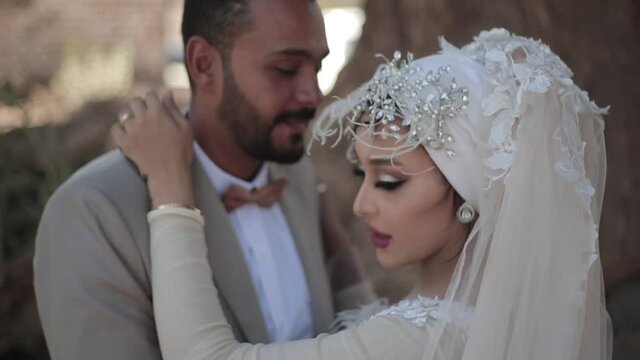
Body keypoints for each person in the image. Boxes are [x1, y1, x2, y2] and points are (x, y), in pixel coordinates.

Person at [114, 28, 613, 360]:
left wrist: (171, 192)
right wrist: (335, 245)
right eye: (362, 175)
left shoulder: (422, 338)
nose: (361, 204)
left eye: (390, 182)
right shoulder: (496, 315)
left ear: (469, 190)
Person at [33, 0, 374, 358]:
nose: (314, 94)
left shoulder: (299, 178)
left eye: (316, 67)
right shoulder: (94, 213)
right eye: (286, 69)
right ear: (203, 64)